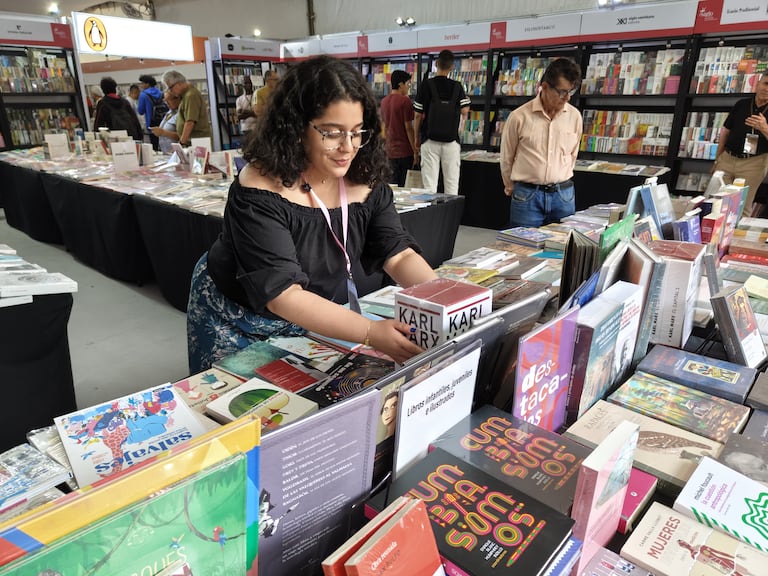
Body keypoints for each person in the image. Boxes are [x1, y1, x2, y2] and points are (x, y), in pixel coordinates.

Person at [187, 55, 436, 373]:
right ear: (296, 127)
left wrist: (445, 297)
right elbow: (283, 294)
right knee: (235, 395)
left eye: (357, 132)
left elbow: (398, 254)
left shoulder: (365, 179)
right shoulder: (260, 188)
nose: (348, 147)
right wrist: (371, 332)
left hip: (309, 311)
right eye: (332, 133)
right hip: (236, 313)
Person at [499, 58, 582, 228]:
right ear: (544, 87)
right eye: (562, 92)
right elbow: (507, 157)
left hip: (563, 195)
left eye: (571, 92)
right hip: (527, 196)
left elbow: (573, 154)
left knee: (563, 244)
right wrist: (511, 186)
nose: (567, 98)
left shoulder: (574, 117)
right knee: (523, 245)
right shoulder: (519, 117)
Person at [413, 50, 470, 195]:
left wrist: (416, 138)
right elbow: (464, 111)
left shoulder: (426, 85)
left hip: (429, 140)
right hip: (451, 141)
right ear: (452, 67)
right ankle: (451, 210)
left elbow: (417, 115)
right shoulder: (457, 86)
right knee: (451, 185)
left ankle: (430, 210)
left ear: (436, 64)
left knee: (429, 187)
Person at [712, 71, 768, 218]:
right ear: (758, 83)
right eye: (765, 83)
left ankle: (736, 233)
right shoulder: (742, 104)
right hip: (727, 159)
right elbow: (725, 132)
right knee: (717, 202)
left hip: (754, 163)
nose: (767, 89)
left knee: (741, 207)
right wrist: (718, 159)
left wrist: (764, 128)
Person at [380, 70, 417, 187]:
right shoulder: (405, 101)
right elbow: (408, 128)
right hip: (405, 151)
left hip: (390, 151)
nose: (409, 87)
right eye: (408, 84)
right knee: (405, 185)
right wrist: (415, 151)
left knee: (392, 186)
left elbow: (384, 128)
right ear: (401, 85)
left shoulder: (384, 101)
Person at [162, 69, 211, 146]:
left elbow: (190, 122)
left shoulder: (190, 96)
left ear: (179, 84)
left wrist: (181, 142)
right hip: (192, 141)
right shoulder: (185, 95)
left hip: (196, 142)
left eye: (170, 88)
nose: (170, 91)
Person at [93, 76, 143, 141]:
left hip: (114, 137)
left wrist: (96, 136)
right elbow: (134, 119)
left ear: (103, 89)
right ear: (115, 87)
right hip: (130, 135)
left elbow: (99, 122)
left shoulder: (103, 103)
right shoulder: (125, 102)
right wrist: (140, 135)